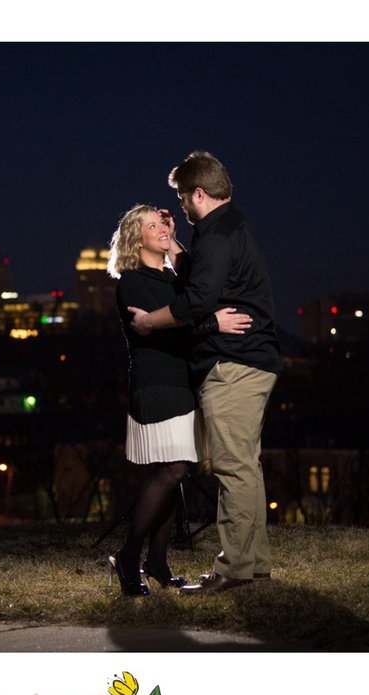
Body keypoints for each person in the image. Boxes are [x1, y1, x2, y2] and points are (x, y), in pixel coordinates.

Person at [129, 151, 283, 595]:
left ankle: (233, 569)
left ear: (199, 193)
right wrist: (178, 248)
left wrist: (149, 321)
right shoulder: (228, 228)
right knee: (245, 467)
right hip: (252, 361)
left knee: (233, 468)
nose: (179, 207)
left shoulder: (217, 237)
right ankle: (253, 565)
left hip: (234, 363)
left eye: (181, 198)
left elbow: (196, 301)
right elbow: (208, 284)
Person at [108, 203, 252, 596]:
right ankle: (128, 555)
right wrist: (213, 323)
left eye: (162, 223)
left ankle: (156, 561)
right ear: (136, 239)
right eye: (151, 226)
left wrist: (174, 243)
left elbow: (196, 293)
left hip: (181, 383)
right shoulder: (132, 281)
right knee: (171, 471)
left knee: (178, 474)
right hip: (156, 384)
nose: (160, 228)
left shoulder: (170, 277)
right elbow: (168, 329)